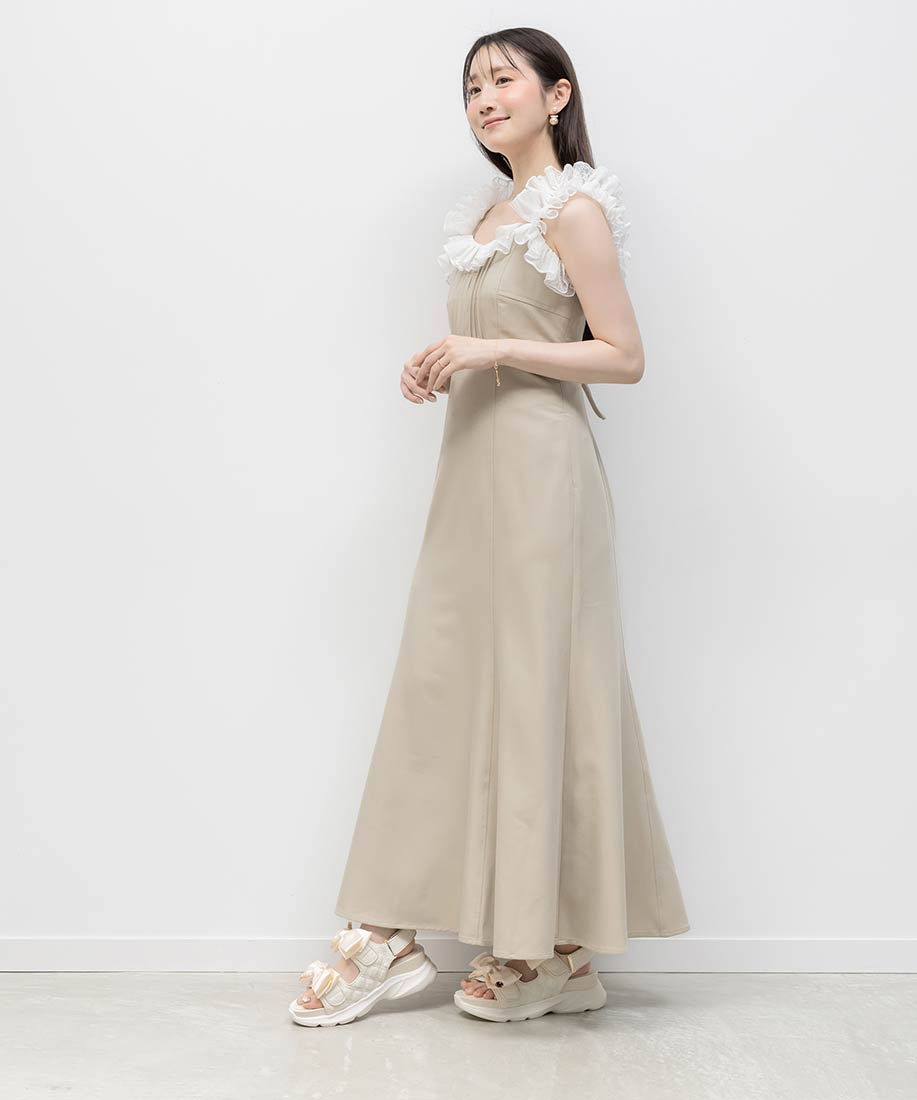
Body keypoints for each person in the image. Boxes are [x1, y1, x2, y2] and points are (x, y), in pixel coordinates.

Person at [289, 27, 689, 1028]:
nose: (483, 97)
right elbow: (494, 343)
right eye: (471, 85)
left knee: (536, 689)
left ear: (557, 95)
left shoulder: (574, 211)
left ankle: (533, 947)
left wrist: (492, 347)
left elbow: (624, 355)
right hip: (470, 470)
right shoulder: (484, 216)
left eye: (503, 78)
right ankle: (535, 950)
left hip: (544, 476)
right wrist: (442, 360)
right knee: (448, 677)